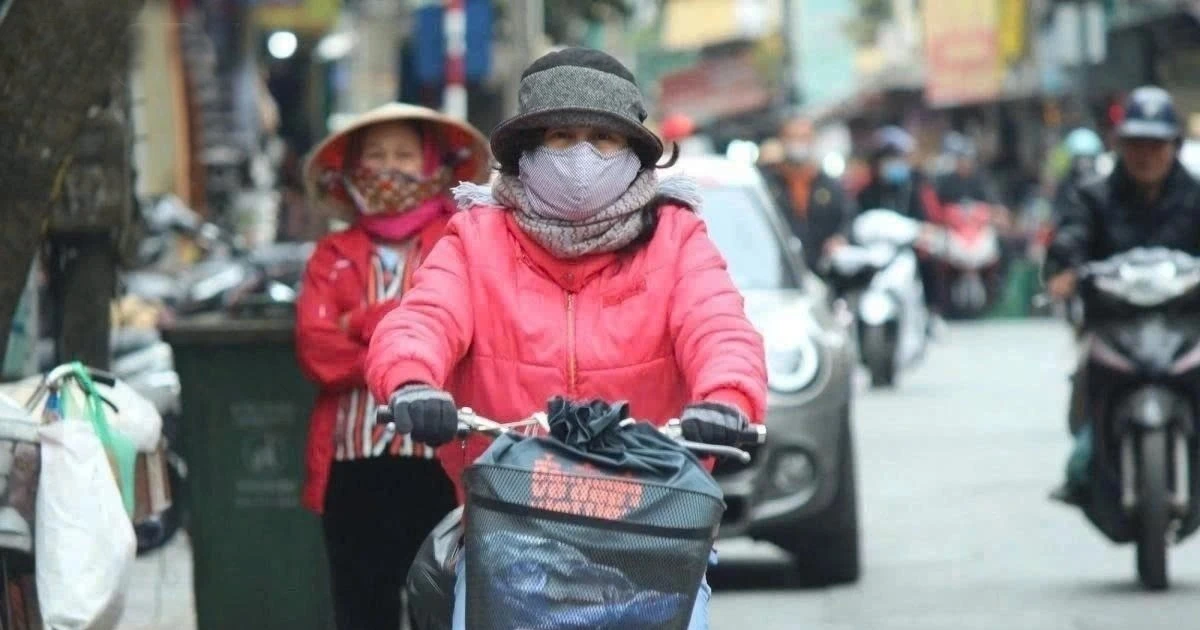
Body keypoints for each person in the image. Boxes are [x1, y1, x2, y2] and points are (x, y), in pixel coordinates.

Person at [363, 47, 768, 630]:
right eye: (560, 137)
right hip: (510, 530)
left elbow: (720, 326)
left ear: (633, 153)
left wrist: (727, 398)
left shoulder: (676, 239)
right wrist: (410, 383)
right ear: (524, 154)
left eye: (602, 139)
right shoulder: (476, 239)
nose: (581, 156)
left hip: (649, 529)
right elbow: (422, 318)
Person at [295, 102, 491, 630]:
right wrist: (401, 331)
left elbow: (462, 337)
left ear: (434, 165)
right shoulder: (330, 254)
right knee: (361, 610)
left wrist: (358, 321)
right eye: (376, 156)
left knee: (445, 607)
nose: (390, 169)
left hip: (440, 457)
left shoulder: (462, 241)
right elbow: (317, 352)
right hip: (352, 464)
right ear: (353, 170)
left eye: (405, 155)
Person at [1045, 86, 1200, 504]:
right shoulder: (1094, 196)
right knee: (1088, 402)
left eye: (1156, 144)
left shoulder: (1196, 195)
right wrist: (1064, 270)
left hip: (1187, 326)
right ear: (1120, 146)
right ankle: (1087, 468)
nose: (1145, 155)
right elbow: (1071, 238)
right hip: (1112, 325)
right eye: (1136, 144)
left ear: (1174, 147)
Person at [856, 125, 946, 321]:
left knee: (928, 263)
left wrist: (922, 233)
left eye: (897, 159)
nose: (893, 165)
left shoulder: (913, 189)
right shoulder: (866, 192)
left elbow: (925, 220)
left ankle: (932, 312)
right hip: (876, 250)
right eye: (887, 160)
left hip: (908, 249)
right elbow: (858, 221)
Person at [760, 115, 853, 272]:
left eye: (803, 138)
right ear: (782, 140)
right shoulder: (768, 185)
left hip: (823, 269)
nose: (798, 144)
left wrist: (840, 239)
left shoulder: (829, 185)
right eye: (792, 137)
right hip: (779, 270)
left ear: (813, 140)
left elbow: (847, 218)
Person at [933, 131, 1001, 207]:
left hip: (976, 214)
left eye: (968, 161)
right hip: (952, 213)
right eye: (962, 161)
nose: (965, 164)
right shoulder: (947, 180)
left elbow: (989, 200)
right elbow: (941, 202)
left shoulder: (979, 180)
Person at [1051, 127, 1105, 219]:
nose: (1084, 165)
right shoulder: (1065, 187)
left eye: (1088, 159)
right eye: (1079, 159)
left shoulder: (1106, 189)